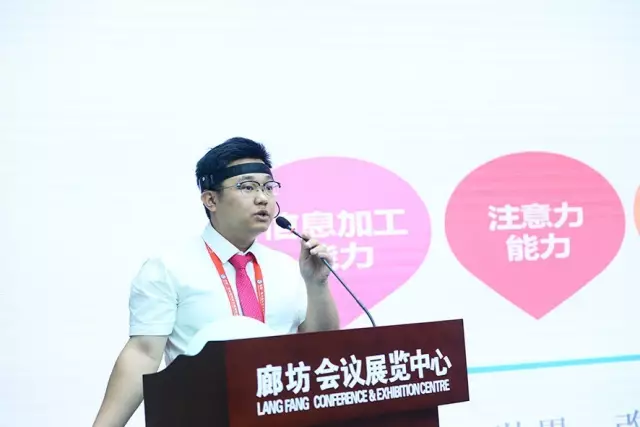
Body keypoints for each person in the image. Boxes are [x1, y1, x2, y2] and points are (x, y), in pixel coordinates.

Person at [92, 137, 340, 427]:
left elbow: (321, 348)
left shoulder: (289, 268)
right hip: (204, 415)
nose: (263, 198)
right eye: (247, 187)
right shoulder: (168, 268)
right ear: (211, 200)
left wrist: (317, 284)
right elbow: (143, 354)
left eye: (268, 187)